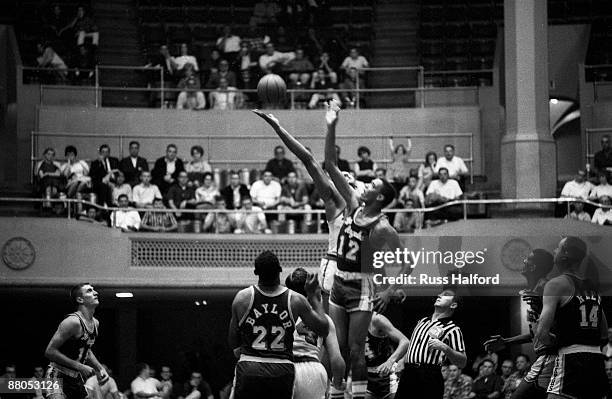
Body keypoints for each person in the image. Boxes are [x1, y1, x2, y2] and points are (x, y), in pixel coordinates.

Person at [324, 101, 410, 399]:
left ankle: (359, 396)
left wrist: (388, 290)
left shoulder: (384, 228)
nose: (366, 184)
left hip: (361, 286)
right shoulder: (352, 203)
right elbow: (330, 166)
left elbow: (407, 263)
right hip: (338, 281)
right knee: (339, 346)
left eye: (372, 183)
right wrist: (331, 124)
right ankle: (337, 394)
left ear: (379, 196)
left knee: (357, 349)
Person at [252, 104, 347, 311]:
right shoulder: (336, 203)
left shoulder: (365, 212)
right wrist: (278, 128)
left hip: (359, 271)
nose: (343, 179)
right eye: (341, 178)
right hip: (336, 266)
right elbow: (309, 160)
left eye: (348, 178)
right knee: (331, 330)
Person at [227, 250, 329, 399]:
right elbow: (324, 329)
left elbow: (232, 340)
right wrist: (314, 297)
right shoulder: (295, 300)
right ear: (280, 270)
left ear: (256, 272)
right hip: (281, 369)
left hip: (250, 366)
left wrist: (242, 353)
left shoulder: (242, 298)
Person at [536, 237, 608, 399]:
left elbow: (541, 333)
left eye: (558, 248)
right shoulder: (592, 288)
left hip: (572, 360)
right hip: (597, 362)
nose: (554, 251)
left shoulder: (556, 284)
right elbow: (604, 333)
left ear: (565, 254)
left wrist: (555, 341)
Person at [483, 249, 554, 399]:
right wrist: (506, 342)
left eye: (527, 260)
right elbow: (537, 332)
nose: (523, 262)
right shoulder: (535, 290)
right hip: (543, 357)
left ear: (533, 267)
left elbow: (555, 330)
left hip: (552, 357)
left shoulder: (545, 289)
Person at [285, 267, 346, 399]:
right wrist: (337, 383)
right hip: (312, 370)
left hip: (283, 368)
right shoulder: (324, 320)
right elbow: (337, 360)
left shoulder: (281, 312)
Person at [396, 289, 467, 399]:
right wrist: (402, 361)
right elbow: (413, 346)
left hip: (430, 374)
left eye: (445, 295)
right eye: (440, 294)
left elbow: (462, 362)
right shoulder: (422, 321)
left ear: (453, 305)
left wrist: (445, 348)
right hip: (408, 373)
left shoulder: (453, 329)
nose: (439, 295)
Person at [44, 283, 108, 399]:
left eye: (94, 290)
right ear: (80, 299)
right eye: (89, 291)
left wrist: (100, 368)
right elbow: (49, 351)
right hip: (57, 375)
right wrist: (80, 366)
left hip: (75, 378)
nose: (95, 292)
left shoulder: (96, 323)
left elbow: (86, 350)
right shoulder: (72, 322)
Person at [365, 313, 410, 399]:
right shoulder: (347, 321)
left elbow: (405, 342)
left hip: (385, 375)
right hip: (364, 376)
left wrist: (390, 361)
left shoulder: (376, 319)